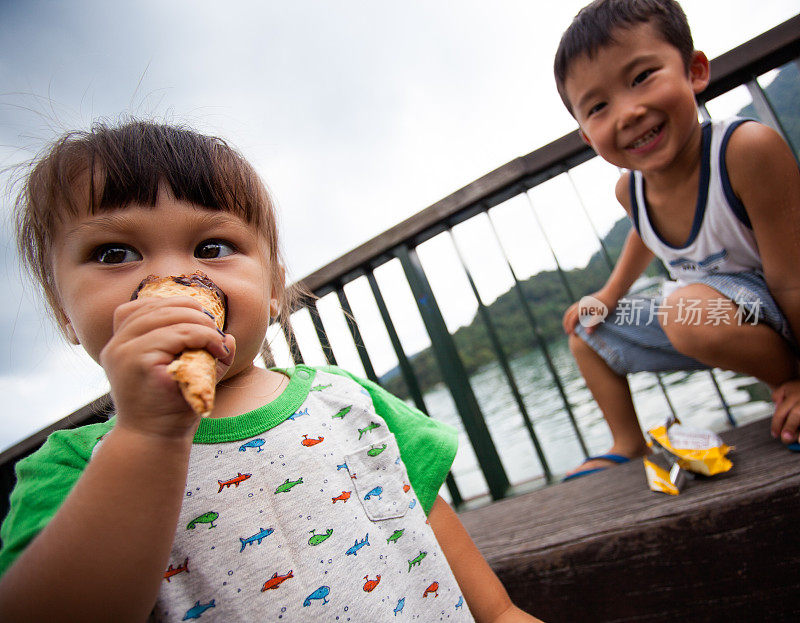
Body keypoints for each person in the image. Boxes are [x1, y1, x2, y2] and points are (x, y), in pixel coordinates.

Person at [0, 120, 542, 622]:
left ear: (274, 287)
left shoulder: (343, 399)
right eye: (114, 253)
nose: (173, 277)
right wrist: (147, 435)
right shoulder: (71, 469)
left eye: (212, 247)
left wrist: (502, 614)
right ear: (61, 310)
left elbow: (426, 523)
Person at [554, 0, 800, 480]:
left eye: (642, 77)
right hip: (702, 312)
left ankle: (789, 381)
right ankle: (626, 440)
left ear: (695, 71)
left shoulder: (744, 150)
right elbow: (643, 237)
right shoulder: (631, 188)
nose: (627, 112)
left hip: (772, 306)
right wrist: (608, 296)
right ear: (587, 135)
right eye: (599, 107)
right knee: (584, 332)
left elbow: (793, 280)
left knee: (682, 312)